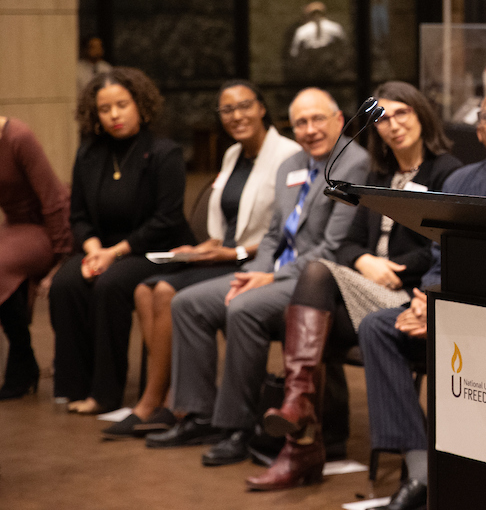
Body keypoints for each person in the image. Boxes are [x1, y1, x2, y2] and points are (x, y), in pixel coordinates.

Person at [244, 81, 463, 491]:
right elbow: (346, 244)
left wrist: (393, 265)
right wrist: (364, 259)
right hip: (367, 289)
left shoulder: (447, 171)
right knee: (311, 322)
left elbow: (441, 245)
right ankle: (301, 438)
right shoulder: (378, 173)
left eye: (403, 113)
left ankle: (298, 422)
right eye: (382, 118)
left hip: (409, 295)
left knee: (314, 277)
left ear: (421, 115)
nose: (393, 125)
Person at [146, 88, 369, 468]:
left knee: (244, 310)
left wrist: (272, 276)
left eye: (318, 119)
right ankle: (199, 416)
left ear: (337, 120)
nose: (310, 129)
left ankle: (239, 426)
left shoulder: (354, 163)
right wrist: (255, 271)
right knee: (189, 304)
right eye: (300, 122)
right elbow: (271, 235)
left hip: (314, 281)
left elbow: (333, 247)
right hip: (271, 272)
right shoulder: (290, 165)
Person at [355, 84, 486, 510]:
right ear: (476, 133)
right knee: (378, 326)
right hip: (452, 305)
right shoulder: (461, 181)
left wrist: (444, 305)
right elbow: (441, 253)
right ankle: (421, 471)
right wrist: (427, 299)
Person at [101, 80, 302, 439]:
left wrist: (233, 251)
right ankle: (170, 397)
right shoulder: (232, 154)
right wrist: (198, 249)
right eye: (227, 110)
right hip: (221, 254)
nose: (236, 116)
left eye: (244, 106)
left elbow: (286, 233)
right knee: (143, 291)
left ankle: (160, 404)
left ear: (261, 108)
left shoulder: (288, 156)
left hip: (253, 260)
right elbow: (224, 226)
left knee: (164, 292)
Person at [50, 67, 194, 415]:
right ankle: (74, 386)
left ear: (140, 106)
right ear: (94, 114)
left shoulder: (164, 152)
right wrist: (94, 250)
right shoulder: (88, 153)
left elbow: (167, 219)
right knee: (66, 283)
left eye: (122, 105)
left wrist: (114, 254)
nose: (114, 115)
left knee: (109, 286)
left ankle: (105, 394)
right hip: (103, 248)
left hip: (156, 248)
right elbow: (79, 216)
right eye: (105, 109)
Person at [0, 116, 72, 399]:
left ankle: (21, 355)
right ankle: (23, 358)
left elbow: (52, 198)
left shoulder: (17, 136)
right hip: (15, 226)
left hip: (47, 225)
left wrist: (62, 255)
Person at [76, 36, 113, 100]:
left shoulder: (106, 68)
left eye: (99, 47)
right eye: (93, 47)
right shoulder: (78, 69)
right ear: (86, 49)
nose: (97, 50)